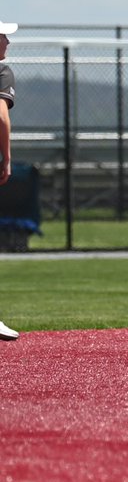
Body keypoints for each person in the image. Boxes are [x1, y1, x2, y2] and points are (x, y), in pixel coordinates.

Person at [0, 20, 20, 341]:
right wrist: (6, 156)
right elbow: (1, 114)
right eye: (4, 36)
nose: (7, 42)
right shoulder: (3, 72)